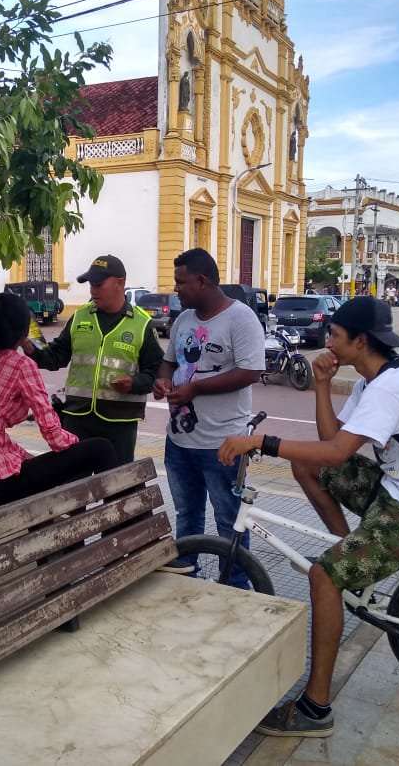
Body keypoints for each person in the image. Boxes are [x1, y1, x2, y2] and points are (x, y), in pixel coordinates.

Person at [217, 296, 399, 738]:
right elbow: (331, 446)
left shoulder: (393, 387)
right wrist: (323, 386)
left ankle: (316, 708)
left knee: (323, 578)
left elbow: (336, 451)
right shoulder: (374, 380)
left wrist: (261, 443)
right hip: (395, 493)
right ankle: (349, 556)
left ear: (360, 341)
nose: (326, 342)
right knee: (306, 465)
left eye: (334, 335)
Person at [0, 292, 117, 510]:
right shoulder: (20, 366)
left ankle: (76, 534)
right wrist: (76, 446)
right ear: (24, 332)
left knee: (47, 467)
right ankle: (121, 526)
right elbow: (55, 437)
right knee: (100, 449)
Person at [154, 248, 265, 584]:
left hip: (223, 445)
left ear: (201, 281)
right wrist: (162, 379)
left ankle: (233, 585)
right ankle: (186, 574)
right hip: (179, 441)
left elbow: (251, 372)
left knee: (229, 518)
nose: (176, 289)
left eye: (181, 282)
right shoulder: (184, 320)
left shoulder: (241, 318)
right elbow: (170, 361)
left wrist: (196, 389)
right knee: (187, 513)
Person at [25, 255, 162, 465]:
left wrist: (134, 383)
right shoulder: (80, 317)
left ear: (120, 283)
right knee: (73, 487)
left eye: (99, 284)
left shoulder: (142, 324)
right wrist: (28, 345)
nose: (93, 290)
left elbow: (156, 372)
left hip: (120, 425)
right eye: (91, 284)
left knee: (116, 488)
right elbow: (54, 358)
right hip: (77, 419)